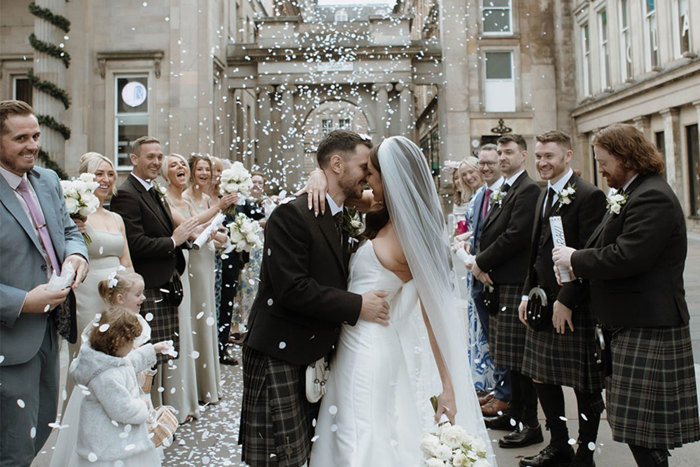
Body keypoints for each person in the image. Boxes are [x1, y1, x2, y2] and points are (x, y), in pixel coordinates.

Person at [309, 136, 494, 466]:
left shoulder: (409, 235)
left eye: (372, 173)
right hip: (359, 342)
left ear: (389, 178)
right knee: (367, 433)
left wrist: (448, 384)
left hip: (368, 347)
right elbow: (346, 196)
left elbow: (432, 311)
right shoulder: (387, 212)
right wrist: (319, 175)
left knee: (360, 438)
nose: (367, 179)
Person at [238, 130, 389, 467]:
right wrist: (358, 305)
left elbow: (381, 198)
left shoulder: (342, 213)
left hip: (312, 353)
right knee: (279, 460)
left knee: (305, 454)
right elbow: (293, 289)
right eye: (364, 166)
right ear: (337, 164)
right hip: (281, 350)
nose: (368, 173)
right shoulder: (291, 215)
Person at [553, 123, 700, 467]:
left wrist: (574, 258)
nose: (600, 170)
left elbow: (627, 255)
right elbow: (604, 245)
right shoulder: (634, 192)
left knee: (641, 429)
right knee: (637, 427)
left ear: (627, 158)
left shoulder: (652, 196)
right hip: (631, 324)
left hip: (649, 324)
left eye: (604, 162)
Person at [0, 99, 89, 466]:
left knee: (41, 427)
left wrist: (76, 255)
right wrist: (22, 301)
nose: (33, 145)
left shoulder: (48, 180)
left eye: (35, 135)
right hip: (9, 336)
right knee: (14, 446)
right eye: (21, 138)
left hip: (52, 330)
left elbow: (69, 230)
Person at [517, 131, 606, 467]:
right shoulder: (545, 194)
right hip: (542, 301)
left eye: (549, 156)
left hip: (573, 305)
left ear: (568, 156)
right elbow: (536, 252)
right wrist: (527, 292)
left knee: (583, 384)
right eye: (539, 156)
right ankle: (559, 445)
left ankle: (586, 452)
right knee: (541, 375)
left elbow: (588, 252)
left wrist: (567, 299)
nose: (542, 162)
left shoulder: (589, 196)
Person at [472, 134, 542, 448]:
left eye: (508, 152)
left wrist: (480, 262)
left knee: (519, 361)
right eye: (499, 152)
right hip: (500, 282)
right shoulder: (506, 188)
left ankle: (530, 423)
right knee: (508, 357)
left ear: (523, 155)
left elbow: (515, 236)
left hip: (515, 283)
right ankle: (513, 414)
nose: (502, 157)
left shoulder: (526, 189)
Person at [111, 136, 199, 368]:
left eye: (160, 157)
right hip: (147, 285)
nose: (156, 161)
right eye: (150, 156)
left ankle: (160, 405)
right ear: (134, 159)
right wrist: (172, 242)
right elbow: (135, 244)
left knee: (164, 355)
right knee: (149, 360)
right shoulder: (127, 193)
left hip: (165, 282)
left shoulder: (153, 191)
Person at [51, 270, 153, 466]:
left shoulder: (136, 322)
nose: (144, 297)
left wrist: (150, 352)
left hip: (129, 386)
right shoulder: (103, 327)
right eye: (138, 294)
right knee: (109, 431)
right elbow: (112, 363)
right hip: (115, 391)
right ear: (121, 298)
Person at [66, 152, 134, 396]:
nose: (106, 179)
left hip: (117, 297)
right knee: (89, 354)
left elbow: (126, 260)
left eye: (110, 174)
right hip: (87, 295)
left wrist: (131, 296)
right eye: (99, 174)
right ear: (86, 178)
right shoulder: (75, 217)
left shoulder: (116, 218)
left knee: (117, 354)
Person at [70, 306, 171, 466]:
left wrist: (152, 350)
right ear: (118, 342)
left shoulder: (106, 360)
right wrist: (142, 407)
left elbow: (128, 362)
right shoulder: (106, 376)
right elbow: (122, 409)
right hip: (110, 444)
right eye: (131, 341)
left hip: (114, 441)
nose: (132, 346)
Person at [183, 154, 223, 403]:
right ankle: (197, 384)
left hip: (209, 258)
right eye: (200, 169)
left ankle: (208, 384)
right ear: (192, 172)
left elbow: (219, 235)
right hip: (194, 260)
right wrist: (213, 233)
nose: (205, 174)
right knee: (196, 314)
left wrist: (220, 235)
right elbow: (194, 229)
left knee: (209, 314)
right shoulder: (185, 199)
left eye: (207, 170)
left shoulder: (208, 199)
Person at [233, 170, 269, 343]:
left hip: (261, 252)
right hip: (248, 252)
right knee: (244, 289)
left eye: (260, 183)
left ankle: (252, 325)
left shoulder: (267, 203)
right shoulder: (242, 202)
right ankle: (240, 325)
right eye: (254, 181)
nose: (257, 185)